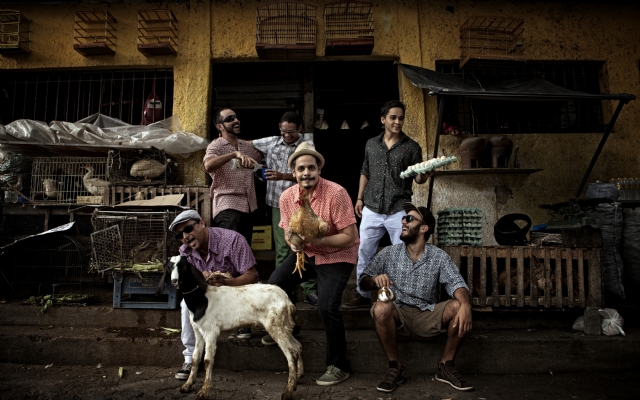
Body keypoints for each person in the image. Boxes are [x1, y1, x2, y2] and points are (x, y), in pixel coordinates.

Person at [264, 142, 359, 386]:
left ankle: (339, 366)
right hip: (306, 253)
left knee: (326, 307)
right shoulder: (287, 197)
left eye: (311, 168)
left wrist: (318, 239)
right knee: (276, 282)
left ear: (319, 170)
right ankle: (289, 328)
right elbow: (287, 230)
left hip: (337, 254)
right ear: (293, 173)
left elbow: (350, 237)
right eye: (301, 169)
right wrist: (294, 243)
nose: (306, 173)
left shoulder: (335, 193)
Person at [360, 202, 473, 393]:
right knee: (381, 307)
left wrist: (466, 304)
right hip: (398, 317)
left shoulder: (438, 256)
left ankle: (446, 365)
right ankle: (394, 367)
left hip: (426, 314)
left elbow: (457, 283)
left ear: (424, 228)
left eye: (409, 218)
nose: (403, 221)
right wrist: (374, 280)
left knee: (459, 305)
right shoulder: (388, 253)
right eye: (404, 218)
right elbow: (363, 281)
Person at [343, 100, 430, 309]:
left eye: (401, 118)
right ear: (383, 120)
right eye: (393, 117)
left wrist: (424, 175)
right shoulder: (371, 144)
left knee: (402, 253)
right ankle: (363, 294)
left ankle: (402, 298)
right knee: (364, 251)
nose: (397, 122)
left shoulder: (411, 147)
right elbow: (365, 171)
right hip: (371, 207)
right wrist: (359, 198)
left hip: (398, 209)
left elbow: (418, 179)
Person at [169, 209, 259, 381]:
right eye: (179, 235)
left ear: (202, 223)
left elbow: (252, 276)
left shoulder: (232, 239)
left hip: (237, 290)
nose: (185, 237)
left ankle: (244, 321)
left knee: (256, 292)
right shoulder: (185, 253)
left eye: (188, 229)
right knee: (185, 303)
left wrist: (226, 282)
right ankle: (189, 358)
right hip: (212, 296)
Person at [251, 111, 318, 306]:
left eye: (290, 132)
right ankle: (281, 292)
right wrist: (227, 144)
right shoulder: (272, 141)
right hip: (276, 203)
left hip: (303, 203)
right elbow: (248, 143)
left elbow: (307, 173)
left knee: (306, 246)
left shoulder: (307, 146)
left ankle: (309, 289)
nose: (286, 135)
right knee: (282, 249)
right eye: (283, 131)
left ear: (299, 129)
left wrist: (282, 176)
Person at [203, 108, 262, 247]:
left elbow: (264, 151)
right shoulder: (216, 145)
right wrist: (233, 155)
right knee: (229, 251)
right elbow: (208, 165)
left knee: (244, 252)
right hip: (227, 207)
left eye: (235, 117)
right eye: (229, 119)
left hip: (248, 207)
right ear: (219, 126)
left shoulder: (246, 146)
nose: (235, 121)